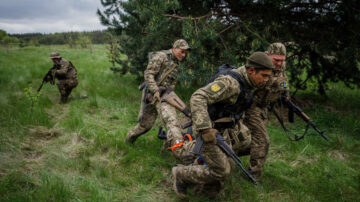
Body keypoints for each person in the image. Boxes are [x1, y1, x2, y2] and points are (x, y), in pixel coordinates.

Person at [172, 52, 274, 199]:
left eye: (268, 76)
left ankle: (205, 194)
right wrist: (205, 129)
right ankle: (180, 174)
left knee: (230, 164)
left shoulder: (249, 84)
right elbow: (198, 97)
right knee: (222, 170)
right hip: (207, 130)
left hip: (221, 131)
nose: (266, 80)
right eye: (264, 75)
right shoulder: (230, 83)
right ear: (251, 70)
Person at [125, 39, 191, 160]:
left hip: (164, 96)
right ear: (175, 48)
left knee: (171, 121)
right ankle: (128, 140)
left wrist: (169, 93)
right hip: (151, 95)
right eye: (182, 51)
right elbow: (148, 74)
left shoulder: (177, 62)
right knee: (145, 125)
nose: (184, 55)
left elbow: (172, 82)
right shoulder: (162, 56)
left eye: (185, 52)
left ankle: (171, 152)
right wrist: (155, 91)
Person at [242, 43, 289, 181]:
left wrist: (285, 93)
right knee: (262, 140)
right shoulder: (258, 65)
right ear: (268, 55)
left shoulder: (281, 66)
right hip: (252, 106)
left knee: (256, 140)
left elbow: (284, 80)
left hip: (264, 107)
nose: (279, 63)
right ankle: (254, 176)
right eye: (276, 60)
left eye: (282, 60)